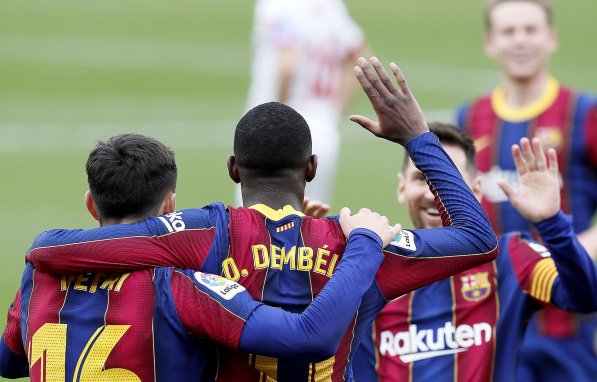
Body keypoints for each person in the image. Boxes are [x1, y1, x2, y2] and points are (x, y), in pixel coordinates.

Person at [23, 58, 499, 381]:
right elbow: (479, 238)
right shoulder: (360, 244)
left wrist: (43, 250)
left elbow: (59, 250)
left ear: (233, 168)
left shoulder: (200, 234)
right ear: (312, 169)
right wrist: (416, 136)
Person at [0, 133, 401, 381]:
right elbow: (307, 337)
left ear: (91, 203)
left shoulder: (40, 277)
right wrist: (361, 243)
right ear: (171, 207)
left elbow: (11, 361)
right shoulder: (181, 288)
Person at [456, 1, 597, 380]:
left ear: (551, 38)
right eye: (509, 32)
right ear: (490, 43)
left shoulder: (583, 112)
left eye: (530, 29)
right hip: (492, 313)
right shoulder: (469, 117)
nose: (520, 40)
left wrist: (591, 243)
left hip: (567, 317)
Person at [351, 123, 597, 381]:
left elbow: (586, 298)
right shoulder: (372, 268)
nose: (433, 193)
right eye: (421, 178)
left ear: (474, 191)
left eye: (447, 179)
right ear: (402, 188)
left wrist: (552, 224)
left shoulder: (511, 258)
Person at [244, 0, 366, 204]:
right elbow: (359, 57)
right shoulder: (331, 7)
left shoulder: (277, 6)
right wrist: (335, 111)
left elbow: (288, 64)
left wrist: (271, 118)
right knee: (310, 220)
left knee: (254, 220)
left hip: (278, 128)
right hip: (323, 128)